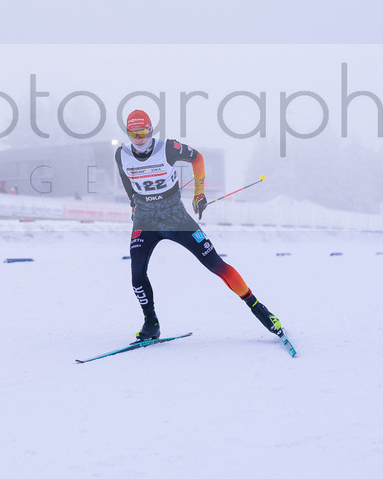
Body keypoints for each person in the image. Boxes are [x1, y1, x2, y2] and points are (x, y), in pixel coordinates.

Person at [115, 109, 286, 342]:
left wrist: (199, 193)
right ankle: (151, 323)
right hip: (144, 221)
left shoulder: (167, 148)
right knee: (137, 275)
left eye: (143, 133)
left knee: (216, 264)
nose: (139, 139)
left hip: (176, 219)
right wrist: (133, 203)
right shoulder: (121, 154)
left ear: (151, 131)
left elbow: (198, 158)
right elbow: (126, 179)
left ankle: (260, 310)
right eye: (133, 134)